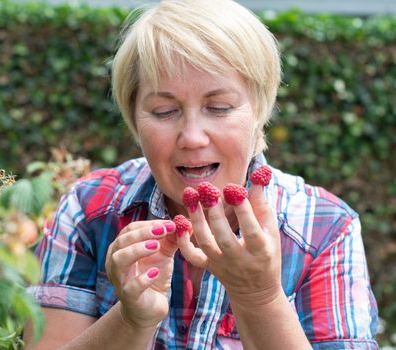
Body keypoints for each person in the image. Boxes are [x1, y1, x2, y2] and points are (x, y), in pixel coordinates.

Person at [24, 0, 379, 348]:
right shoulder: (89, 210)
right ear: (134, 119)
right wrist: (133, 318)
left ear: (259, 110)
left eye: (219, 107)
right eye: (164, 111)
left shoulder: (325, 228)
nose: (192, 137)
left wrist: (259, 296)